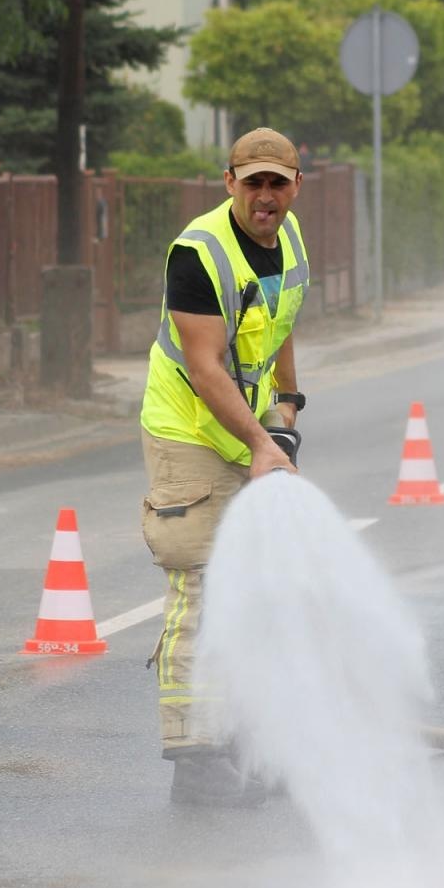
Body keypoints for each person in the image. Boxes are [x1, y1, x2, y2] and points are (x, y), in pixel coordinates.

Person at [140, 126, 309, 797]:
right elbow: (207, 371)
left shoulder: (288, 239)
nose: (265, 197)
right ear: (229, 183)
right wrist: (265, 444)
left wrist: (288, 406)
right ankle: (194, 757)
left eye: (278, 183)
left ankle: (244, 737)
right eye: (253, 182)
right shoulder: (199, 254)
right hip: (189, 434)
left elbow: (283, 318)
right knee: (201, 582)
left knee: (259, 588)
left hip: (246, 436)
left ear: (297, 187)